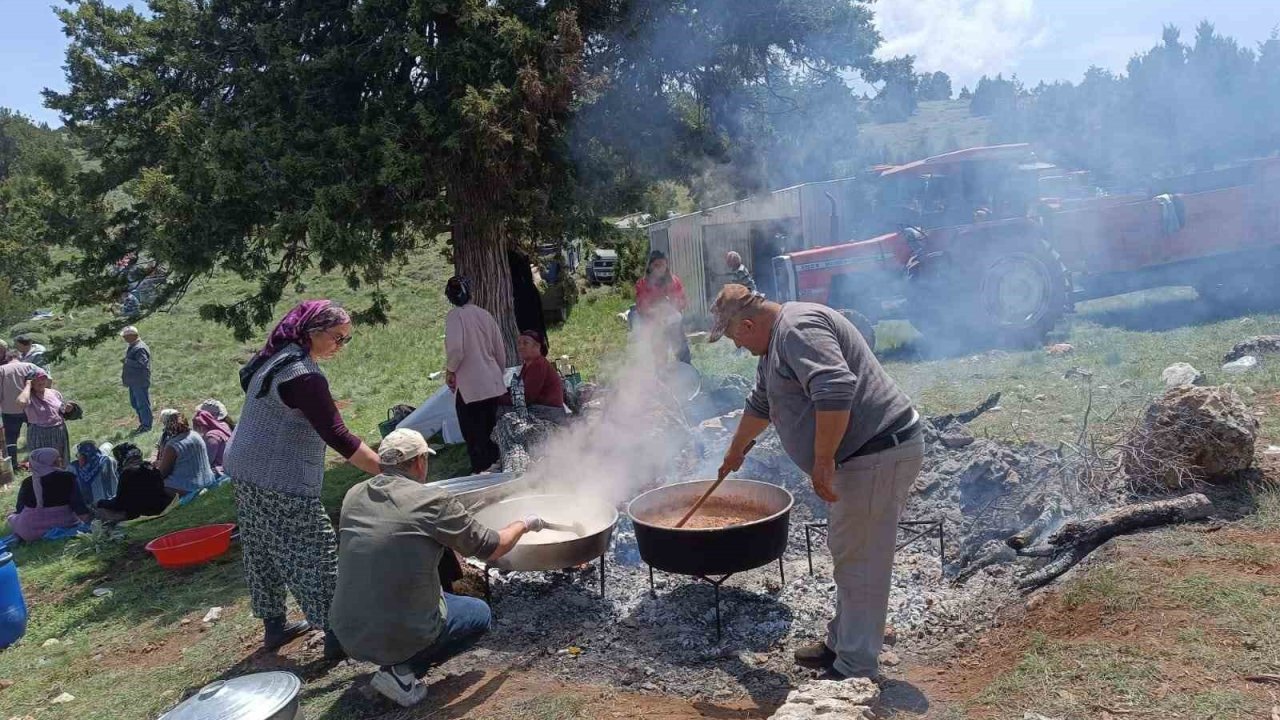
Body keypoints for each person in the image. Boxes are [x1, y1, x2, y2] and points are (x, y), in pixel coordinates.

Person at [709, 284, 921, 682]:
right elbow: (761, 402)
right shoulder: (774, 343)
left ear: (749, 324)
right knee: (850, 553)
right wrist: (735, 451)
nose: (737, 346)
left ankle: (855, 668)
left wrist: (823, 460)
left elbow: (836, 387)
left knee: (862, 561)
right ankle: (842, 644)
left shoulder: (797, 329)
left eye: (734, 338)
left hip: (875, 453)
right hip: (861, 456)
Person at [329, 429, 543, 707]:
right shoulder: (432, 501)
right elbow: (494, 547)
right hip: (387, 630)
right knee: (479, 614)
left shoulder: (354, 494)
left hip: (346, 628)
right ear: (420, 462)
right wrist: (524, 523)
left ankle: (395, 656)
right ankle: (401, 674)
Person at [224, 299, 381, 659]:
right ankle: (338, 634)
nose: (340, 347)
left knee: (261, 547)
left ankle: (274, 626)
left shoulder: (278, 357)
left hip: (245, 469)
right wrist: (388, 472)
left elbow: (284, 407)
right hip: (277, 476)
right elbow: (339, 437)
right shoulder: (303, 375)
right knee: (316, 550)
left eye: (346, 340)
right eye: (338, 338)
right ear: (313, 331)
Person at [444, 277, 509, 474]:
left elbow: (456, 350)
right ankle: (501, 470)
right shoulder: (484, 314)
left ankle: (482, 476)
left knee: (475, 436)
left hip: (470, 387)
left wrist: (450, 370)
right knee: (493, 434)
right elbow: (500, 351)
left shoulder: (455, 316)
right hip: (491, 382)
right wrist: (496, 372)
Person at [7, 448, 89, 543]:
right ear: (52, 462)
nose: (60, 460)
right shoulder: (67, 477)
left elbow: (20, 508)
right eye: (57, 458)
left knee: (11, 516)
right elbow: (78, 505)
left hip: (29, 530)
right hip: (63, 523)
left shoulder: (27, 482)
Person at [634, 250, 691, 364]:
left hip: (674, 323)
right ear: (650, 266)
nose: (660, 268)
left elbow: (683, 302)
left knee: (682, 352)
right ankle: (661, 377)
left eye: (663, 265)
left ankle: (686, 372)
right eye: (656, 265)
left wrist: (673, 305)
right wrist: (656, 310)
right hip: (655, 325)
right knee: (660, 356)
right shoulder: (643, 284)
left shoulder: (674, 281)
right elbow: (641, 307)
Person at [94, 443, 174, 522]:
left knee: (100, 511)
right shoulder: (152, 469)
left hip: (140, 513)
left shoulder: (128, 474)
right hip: (160, 507)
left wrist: (101, 503)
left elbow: (119, 503)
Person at [155, 412, 217, 503]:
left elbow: (162, 474)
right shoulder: (195, 435)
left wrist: (156, 466)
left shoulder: (173, 445)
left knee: (151, 486)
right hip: (207, 481)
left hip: (188, 487)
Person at [16, 368, 70, 461]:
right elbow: (21, 402)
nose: (41, 381)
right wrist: (28, 386)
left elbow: (61, 410)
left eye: (43, 378)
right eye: (36, 379)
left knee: (60, 461)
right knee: (43, 463)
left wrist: (69, 409)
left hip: (59, 432)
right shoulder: (29, 396)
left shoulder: (54, 393)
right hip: (39, 434)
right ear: (31, 382)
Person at [0, 351, 38, 472]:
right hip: (30, 407)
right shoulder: (30, 366)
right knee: (34, 434)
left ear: (7, 358)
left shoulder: (1, 370)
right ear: (19, 357)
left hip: (9, 410)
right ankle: (37, 460)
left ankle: (14, 465)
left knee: (11, 438)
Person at [120, 326, 153, 433]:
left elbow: (142, 363)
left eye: (125, 336)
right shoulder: (134, 346)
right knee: (135, 403)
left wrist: (127, 361)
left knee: (142, 404)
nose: (124, 339)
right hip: (134, 381)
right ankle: (143, 423)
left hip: (139, 381)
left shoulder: (140, 348)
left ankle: (146, 425)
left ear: (132, 336)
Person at [71, 441, 119, 507]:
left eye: (79, 455)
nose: (78, 458)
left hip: (106, 505)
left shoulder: (106, 462)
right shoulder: (107, 461)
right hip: (108, 504)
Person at [193, 409, 232, 474]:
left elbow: (206, 461)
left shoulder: (212, 437)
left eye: (196, 425)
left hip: (220, 470)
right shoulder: (223, 426)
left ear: (201, 426)